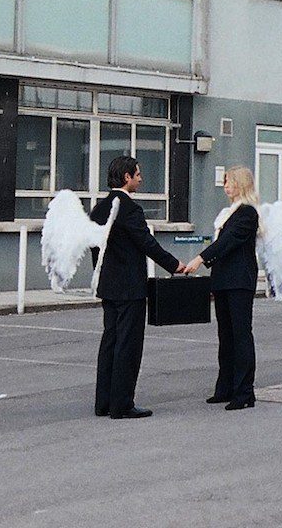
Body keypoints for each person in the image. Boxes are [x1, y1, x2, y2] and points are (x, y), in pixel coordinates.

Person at [91, 155, 185, 419]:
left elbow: (94, 247)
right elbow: (146, 243)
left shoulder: (99, 208)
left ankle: (104, 402)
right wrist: (174, 264)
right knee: (128, 345)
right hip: (130, 287)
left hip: (108, 286)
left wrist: (102, 274)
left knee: (109, 342)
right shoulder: (130, 209)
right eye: (138, 174)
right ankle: (122, 404)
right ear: (127, 177)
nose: (141, 179)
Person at [183, 165, 260, 411]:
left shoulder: (247, 213)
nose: (226, 186)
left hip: (239, 281)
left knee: (240, 334)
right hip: (224, 279)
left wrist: (200, 259)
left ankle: (244, 392)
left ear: (241, 184)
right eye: (225, 181)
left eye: (230, 182)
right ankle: (225, 388)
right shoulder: (228, 213)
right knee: (225, 336)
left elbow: (228, 242)